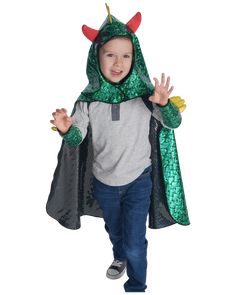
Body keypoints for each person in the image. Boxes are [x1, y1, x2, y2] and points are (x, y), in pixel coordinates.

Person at [47, 8, 190, 293]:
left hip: (139, 179)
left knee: (136, 242)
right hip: (104, 184)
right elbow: (78, 138)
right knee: (115, 231)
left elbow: (174, 123)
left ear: (134, 57)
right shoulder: (88, 101)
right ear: (96, 57)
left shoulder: (146, 95)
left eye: (126, 55)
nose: (118, 62)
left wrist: (163, 104)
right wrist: (66, 130)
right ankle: (119, 255)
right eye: (110, 54)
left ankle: (136, 285)